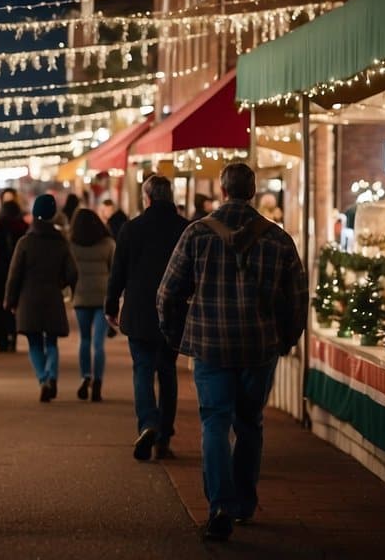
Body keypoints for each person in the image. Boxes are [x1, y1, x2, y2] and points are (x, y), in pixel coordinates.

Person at [157, 163, 307, 541]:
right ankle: (243, 504)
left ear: (223, 191)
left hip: (210, 344)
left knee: (214, 422)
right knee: (250, 423)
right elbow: (297, 299)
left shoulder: (196, 234)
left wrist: (178, 337)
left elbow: (167, 294)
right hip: (259, 346)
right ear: (253, 191)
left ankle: (220, 504)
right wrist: (285, 339)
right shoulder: (278, 239)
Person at [106, 175, 188, 462]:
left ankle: (148, 423)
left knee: (142, 369)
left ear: (148, 198)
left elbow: (118, 271)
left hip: (139, 311)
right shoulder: (185, 228)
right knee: (167, 371)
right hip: (174, 312)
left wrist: (111, 304)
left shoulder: (131, 229)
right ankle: (164, 435)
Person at [5, 195, 78, 402]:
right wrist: (62, 284)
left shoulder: (25, 242)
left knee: (34, 343)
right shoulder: (61, 243)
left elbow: (14, 274)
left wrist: (10, 300)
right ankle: (52, 376)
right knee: (52, 341)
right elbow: (73, 272)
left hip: (28, 299)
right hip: (53, 297)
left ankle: (44, 378)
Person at [68, 207, 115, 402]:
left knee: (84, 340)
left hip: (81, 295)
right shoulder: (108, 243)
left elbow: (68, 271)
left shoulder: (71, 244)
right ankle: (98, 381)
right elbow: (115, 270)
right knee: (99, 343)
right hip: (102, 296)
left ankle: (85, 375)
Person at [0, 199, 28, 352]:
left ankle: (1, 339)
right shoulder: (23, 228)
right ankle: (13, 337)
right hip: (17, 273)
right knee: (13, 305)